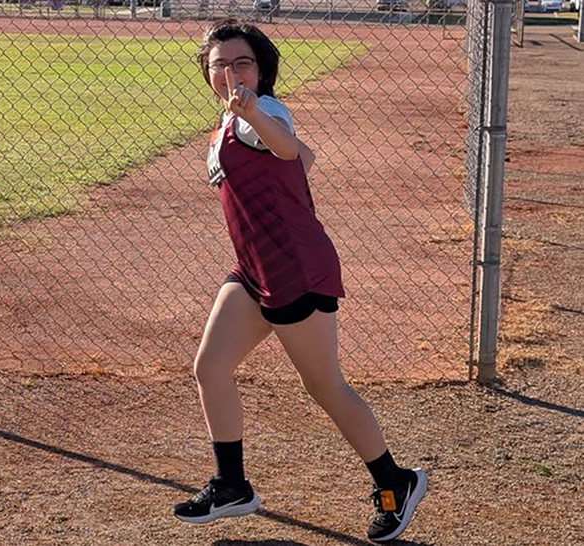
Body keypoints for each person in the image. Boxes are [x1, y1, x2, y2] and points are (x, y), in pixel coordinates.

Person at [172, 19, 428, 543]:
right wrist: (266, 135)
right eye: (219, 63)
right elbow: (302, 157)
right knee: (211, 367)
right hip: (256, 269)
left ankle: (395, 483)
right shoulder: (233, 120)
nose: (229, 71)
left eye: (242, 62)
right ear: (207, 71)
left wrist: (255, 117)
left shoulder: (259, 112)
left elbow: (286, 147)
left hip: (296, 270)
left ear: (262, 70)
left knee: (324, 386)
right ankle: (232, 485)